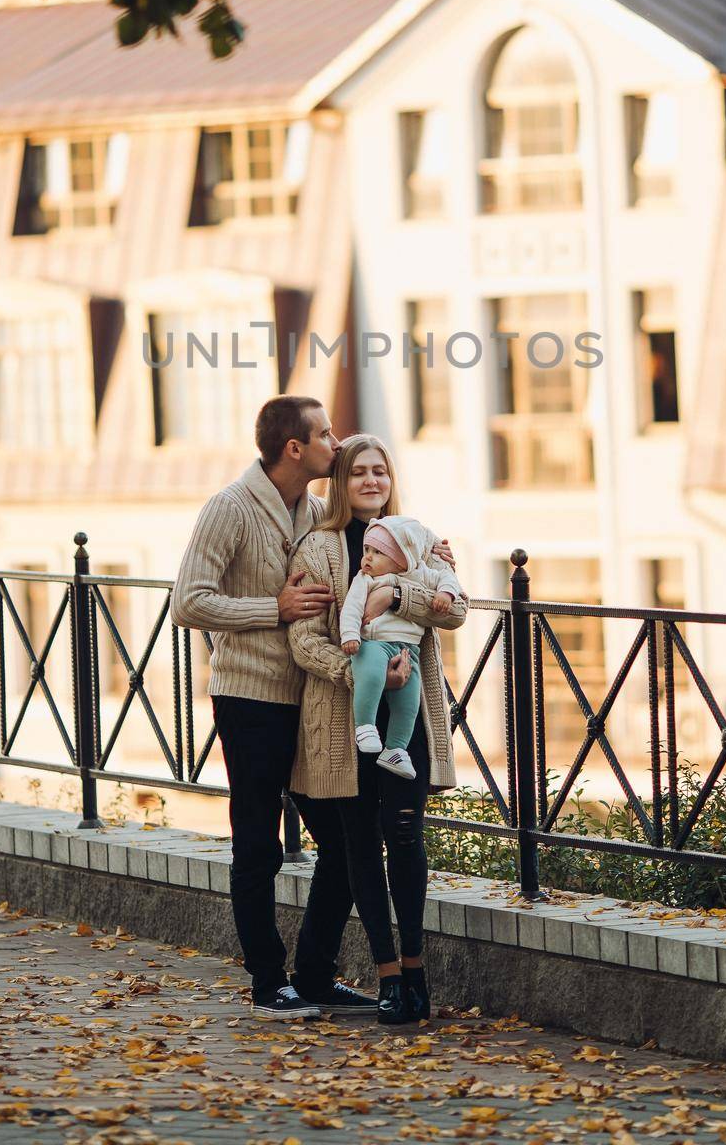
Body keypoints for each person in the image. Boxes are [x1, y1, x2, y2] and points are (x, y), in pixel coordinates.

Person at [171, 395, 381, 1020]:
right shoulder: (228, 509)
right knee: (258, 845)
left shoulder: (319, 511)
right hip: (250, 699)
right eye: (325, 434)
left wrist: (430, 562)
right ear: (295, 448)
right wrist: (275, 609)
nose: (337, 443)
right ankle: (269, 982)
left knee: (344, 842)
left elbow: (372, 557)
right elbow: (188, 602)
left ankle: (315, 973)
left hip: (315, 701)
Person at [286, 435, 466, 1025]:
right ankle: (387, 977)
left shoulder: (416, 538)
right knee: (361, 842)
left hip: (408, 716)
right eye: (358, 471)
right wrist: (359, 673)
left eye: (380, 471)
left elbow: (457, 609)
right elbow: (304, 637)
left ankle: (416, 970)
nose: (370, 480)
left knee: (407, 835)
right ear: (340, 481)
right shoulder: (318, 546)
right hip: (344, 719)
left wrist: (398, 590)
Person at [340, 516, 463, 781]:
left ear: (402, 558)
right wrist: (350, 635)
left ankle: (395, 749)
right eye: (367, 551)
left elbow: (449, 580)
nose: (368, 558)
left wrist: (445, 594)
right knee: (370, 676)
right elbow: (351, 608)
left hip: (409, 650)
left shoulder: (420, 574)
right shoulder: (366, 579)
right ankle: (365, 726)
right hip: (373, 644)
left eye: (378, 552)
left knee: (408, 703)